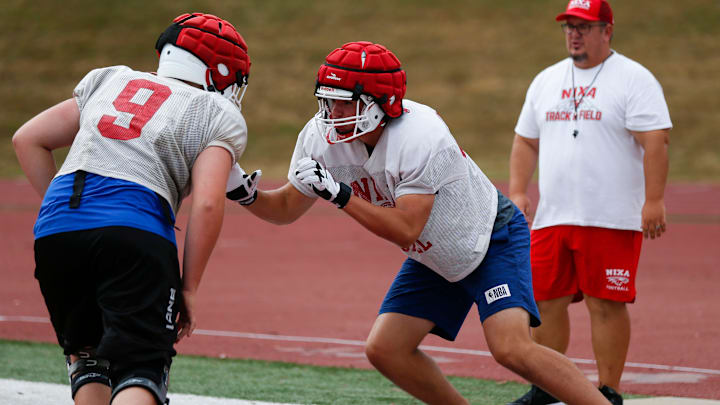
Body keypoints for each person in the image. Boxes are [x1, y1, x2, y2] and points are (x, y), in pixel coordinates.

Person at [226, 41, 610, 405]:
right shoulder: (319, 136)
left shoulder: (421, 133)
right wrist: (244, 194)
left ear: (379, 104)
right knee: (385, 349)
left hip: (488, 238)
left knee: (511, 348)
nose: (331, 112)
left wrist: (340, 195)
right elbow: (287, 208)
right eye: (327, 101)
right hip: (435, 255)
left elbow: (406, 228)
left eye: (343, 103)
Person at [12, 13, 252, 405]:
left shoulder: (111, 78)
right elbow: (208, 202)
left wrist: (70, 216)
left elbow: (28, 139)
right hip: (134, 228)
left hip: (56, 227)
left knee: (87, 357)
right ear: (219, 71)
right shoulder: (215, 111)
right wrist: (189, 287)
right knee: (142, 367)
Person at [507, 0, 672, 404]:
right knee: (543, 302)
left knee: (606, 303)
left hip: (611, 216)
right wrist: (518, 190)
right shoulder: (546, 79)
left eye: (583, 26)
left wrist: (654, 200)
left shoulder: (634, 78)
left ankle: (608, 389)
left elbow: (656, 141)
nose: (574, 33)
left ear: (607, 30)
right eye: (569, 26)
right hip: (554, 215)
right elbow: (526, 141)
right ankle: (546, 387)